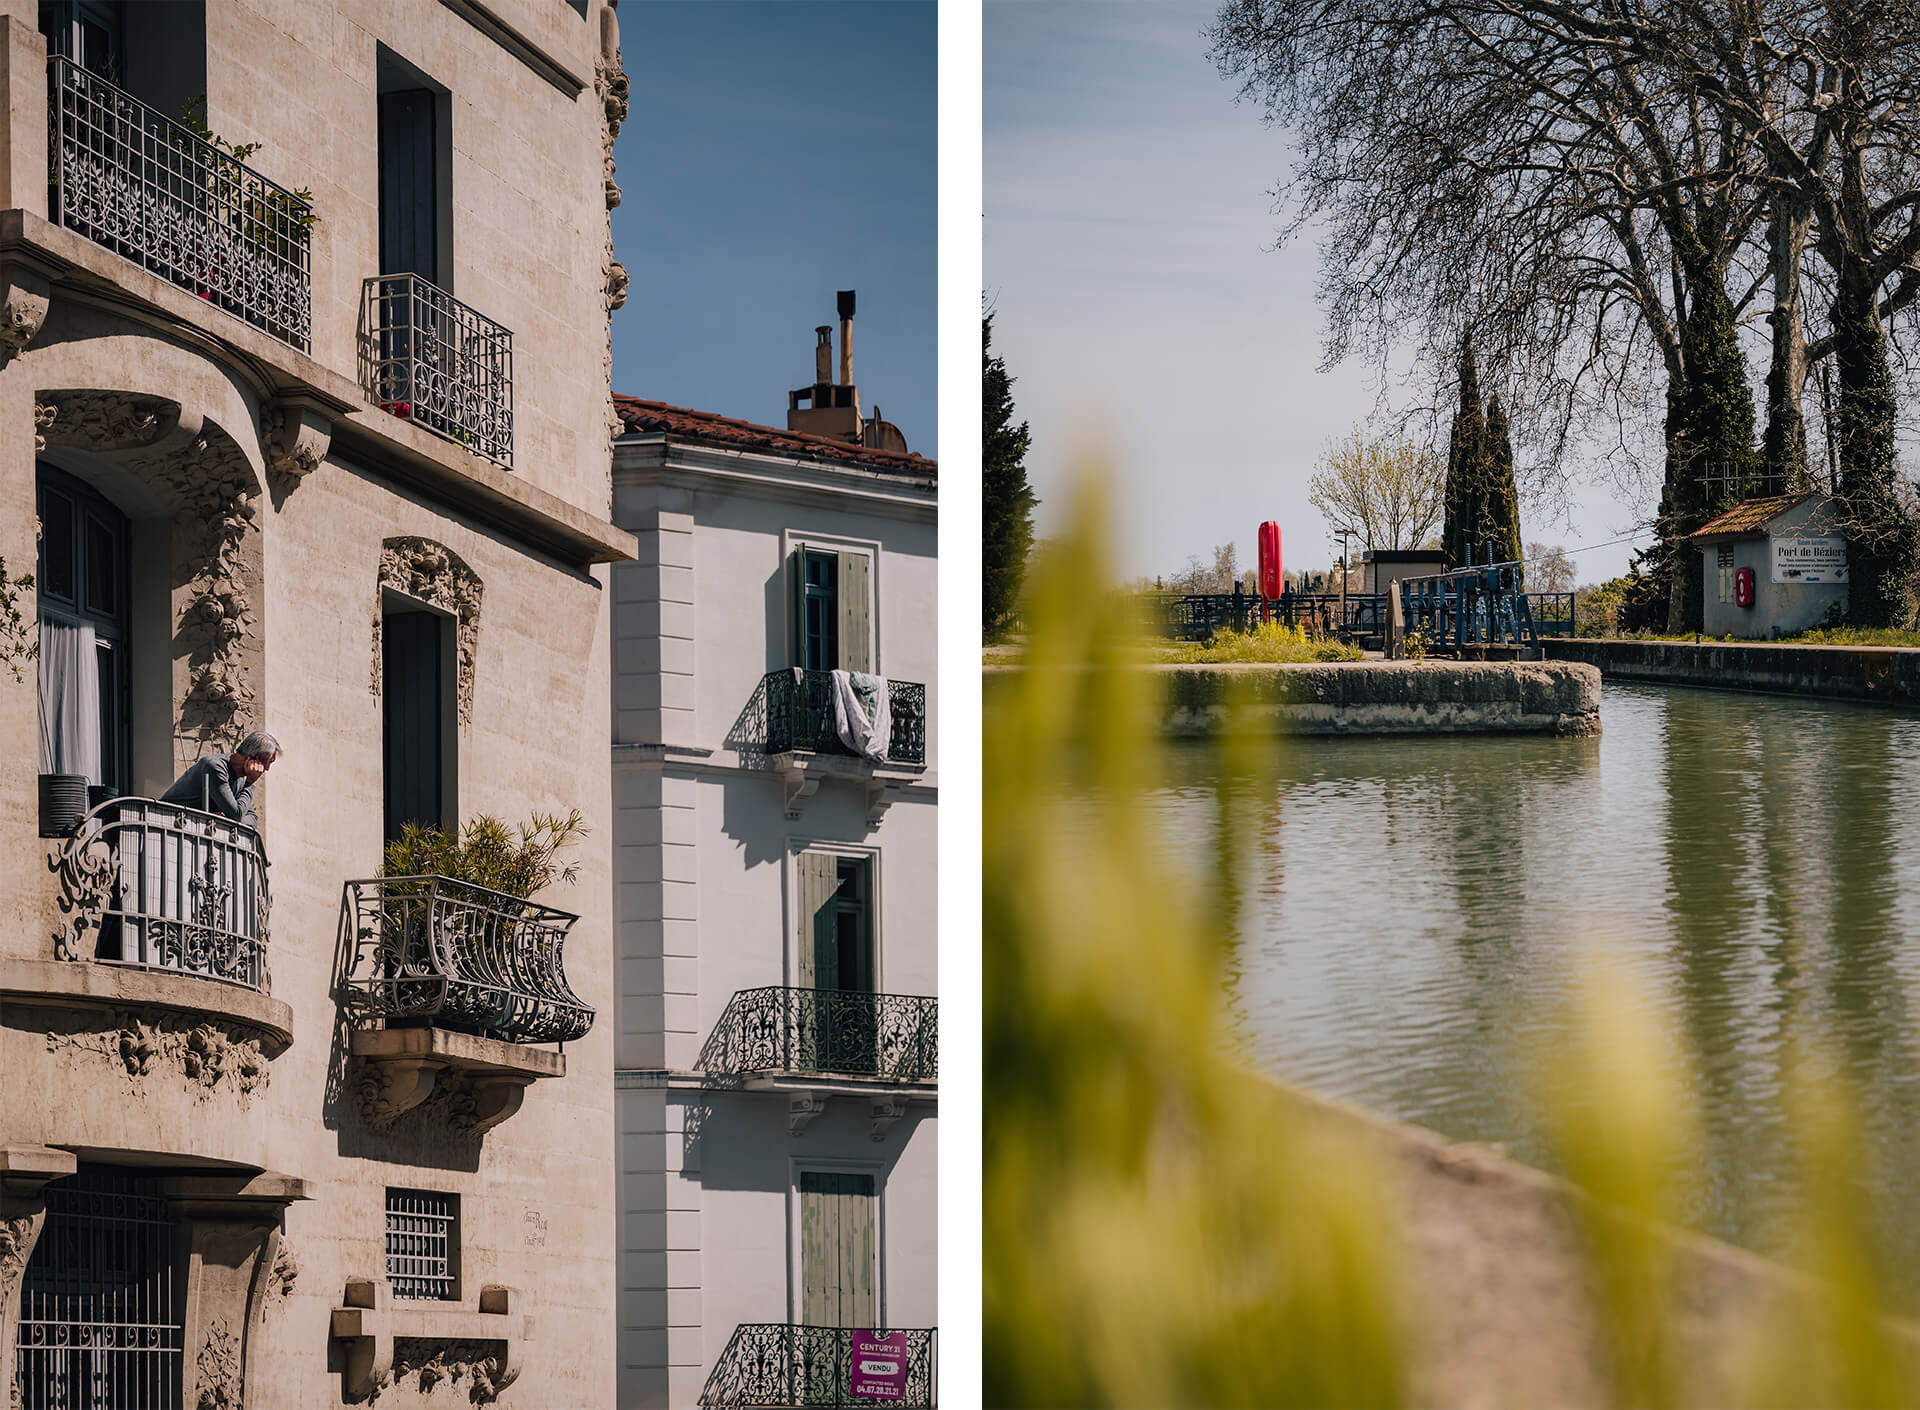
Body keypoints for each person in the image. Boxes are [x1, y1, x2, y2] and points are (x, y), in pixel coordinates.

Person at [160, 731, 281, 829]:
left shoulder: (241, 778)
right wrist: (250, 783)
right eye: (270, 762)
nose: (268, 769)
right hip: (166, 825)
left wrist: (225, 817)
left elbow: (253, 820)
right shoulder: (216, 767)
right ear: (259, 758)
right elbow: (236, 816)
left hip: (189, 830)